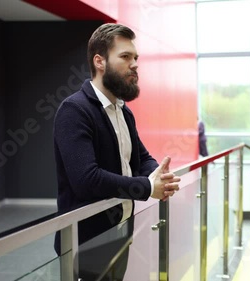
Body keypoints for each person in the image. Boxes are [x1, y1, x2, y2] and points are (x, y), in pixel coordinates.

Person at [53, 23, 181, 279]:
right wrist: (146, 187)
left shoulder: (123, 111)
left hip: (120, 229)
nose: (134, 64)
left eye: (135, 58)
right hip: (84, 242)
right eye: (125, 57)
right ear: (99, 62)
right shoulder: (74, 111)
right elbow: (86, 180)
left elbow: (140, 157)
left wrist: (157, 175)